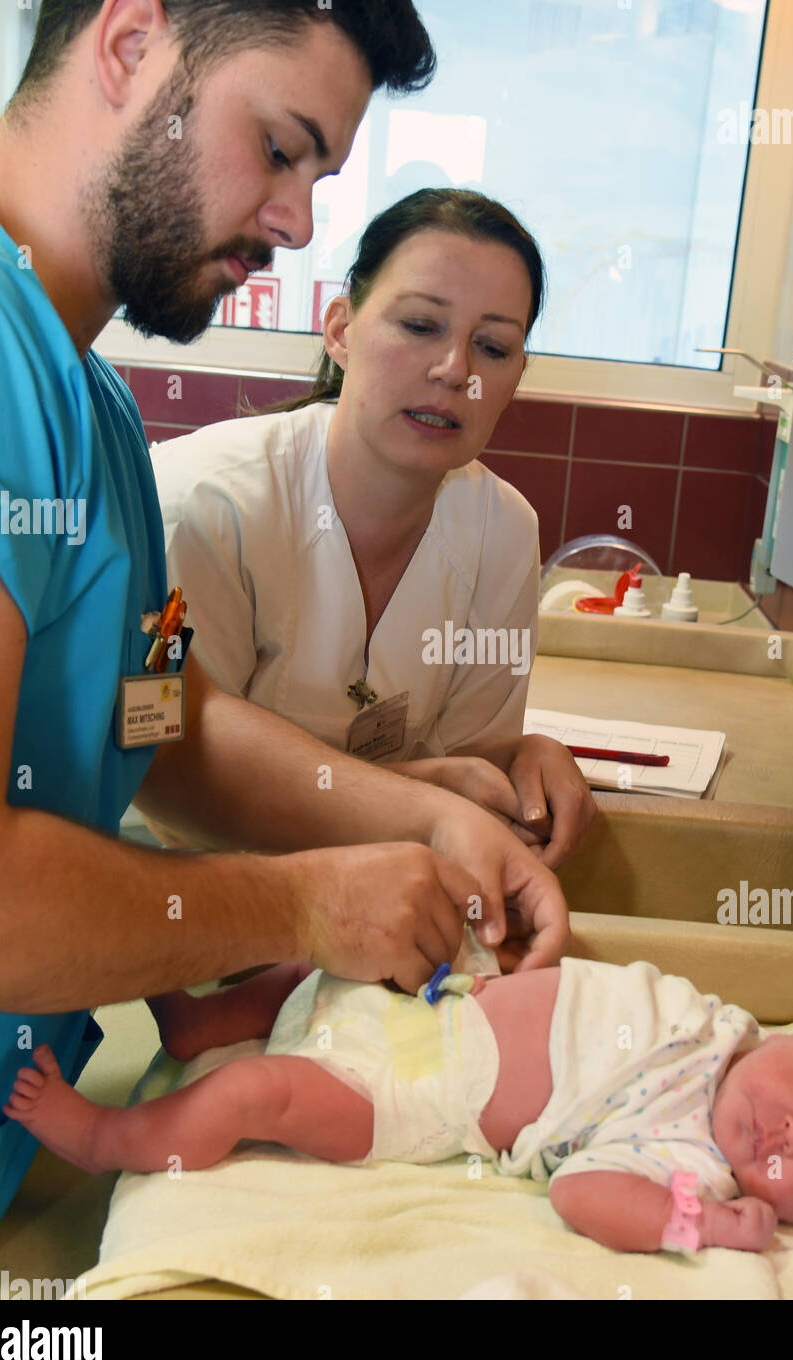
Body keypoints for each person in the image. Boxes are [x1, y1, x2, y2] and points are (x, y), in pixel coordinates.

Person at [0, 0, 570, 1297]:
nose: (296, 219)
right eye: (279, 147)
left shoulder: (97, 417)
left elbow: (161, 711)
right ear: (129, 44)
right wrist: (301, 904)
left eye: (319, 175)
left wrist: (424, 823)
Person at [150, 188, 599, 869]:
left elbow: (464, 769)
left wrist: (519, 758)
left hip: (376, 899)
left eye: (493, 346)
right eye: (420, 326)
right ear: (340, 329)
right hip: (172, 898)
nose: (455, 371)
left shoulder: (502, 531)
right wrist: (410, 797)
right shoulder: (206, 508)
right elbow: (174, 782)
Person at [4, 958, 793, 1254]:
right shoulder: (717, 1024)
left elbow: (584, 1194)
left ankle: (103, 1137)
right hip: (430, 1004)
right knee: (316, 961)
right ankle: (204, 1019)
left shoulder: (686, 1159)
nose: (785, 1135)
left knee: (262, 1093)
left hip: (423, 1093)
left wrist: (707, 1221)